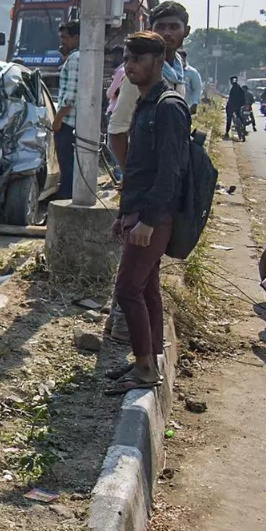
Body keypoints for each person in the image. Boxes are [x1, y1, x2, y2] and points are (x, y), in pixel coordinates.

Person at [105, 31, 190, 395]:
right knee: (148, 288)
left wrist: (149, 221)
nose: (131, 66)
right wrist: (124, 214)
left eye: (138, 59)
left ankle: (143, 369)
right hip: (139, 213)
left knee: (127, 289)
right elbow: (137, 170)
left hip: (154, 218)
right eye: (128, 59)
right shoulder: (145, 103)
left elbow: (170, 172)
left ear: (159, 62)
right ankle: (149, 359)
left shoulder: (168, 106)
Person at [107, 1, 203, 166]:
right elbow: (117, 130)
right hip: (146, 169)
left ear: (186, 31)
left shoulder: (179, 71)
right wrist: (128, 174)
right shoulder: (142, 73)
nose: (167, 33)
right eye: (161, 27)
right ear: (151, 30)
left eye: (174, 27)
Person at [53, 21, 80, 200]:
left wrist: (57, 120)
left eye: (65, 38)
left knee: (67, 165)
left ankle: (65, 200)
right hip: (72, 122)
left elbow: (70, 98)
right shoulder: (77, 57)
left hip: (68, 122)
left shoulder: (76, 58)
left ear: (76, 38)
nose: (62, 42)